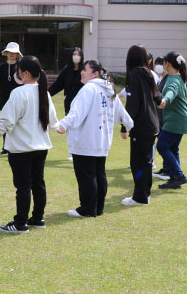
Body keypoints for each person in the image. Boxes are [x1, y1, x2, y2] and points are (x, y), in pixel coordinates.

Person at [0, 55, 59, 233]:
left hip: (21, 148)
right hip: (41, 147)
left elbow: (7, 120)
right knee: (38, 184)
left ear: (25, 73)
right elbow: (53, 121)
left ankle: (20, 223)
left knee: (23, 186)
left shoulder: (19, 93)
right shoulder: (44, 93)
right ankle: (38, 218)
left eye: (19, 71)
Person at [56, 60, 133, 218]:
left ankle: (87, 209)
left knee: (87, 175)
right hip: (102, 140)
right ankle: (98, 208)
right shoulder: (109, 88)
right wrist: (130, 124)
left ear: (95, 73)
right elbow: (121, 112)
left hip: (86, 140)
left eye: (85, 70)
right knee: (99, 174)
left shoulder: (89, 88)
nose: (82, 72)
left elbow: (77, 112)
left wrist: (63, 124)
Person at [120, 45, 162, 206]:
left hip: (141, 126)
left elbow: (133, 104)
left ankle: (140, 197)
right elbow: (158, 95)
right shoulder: (148, 73)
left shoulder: (134, 75)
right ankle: (145, 194)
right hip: (152, 124)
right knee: (146, 162)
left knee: (137, 162)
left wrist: (124, 126)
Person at [156, 51, 187, 190]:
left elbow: (171, 90)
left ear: (168, 64)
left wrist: (165, 99)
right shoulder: (177, 77)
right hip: (180, 119)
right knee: (173, 148)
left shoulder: (175, 79)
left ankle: (179, 175)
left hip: (176, 120)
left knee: (162, 146)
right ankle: (174, 178)